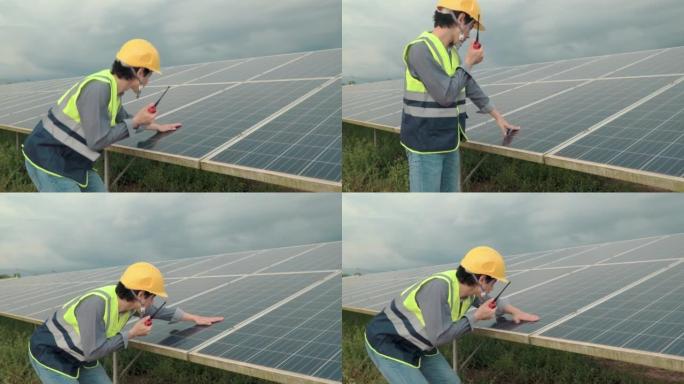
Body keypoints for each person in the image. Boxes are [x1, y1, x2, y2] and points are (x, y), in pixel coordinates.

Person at [23, 39, 182, 192]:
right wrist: (136, 121)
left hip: (73, 162)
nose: (147, 82)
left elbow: (125, 118)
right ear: (140, 72)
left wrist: (155, 126)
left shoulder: (114, 89)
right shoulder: (99, 88)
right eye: (149, 76)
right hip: (49, 158)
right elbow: (97, 141)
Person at [365, 246, 540, 384]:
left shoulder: (470, 292)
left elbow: (493, 302)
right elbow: (440, 337)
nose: (493, 288)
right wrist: (476, 317)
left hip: (420, 343)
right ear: (481, 280)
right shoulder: (439, 289)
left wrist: (516, 312)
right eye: (493, 282)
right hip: (389, 342)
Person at [28, 262, 223, 383]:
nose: (153, 302)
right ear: (140, 294)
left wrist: (194, 318)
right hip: (52, 354)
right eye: (152, 297)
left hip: (81, 354)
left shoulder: (132, 304)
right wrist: (130, 334)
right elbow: (93, 351)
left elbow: (160, 311)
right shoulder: (96, 305)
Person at [400, 0, 520, 192]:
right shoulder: (420, 50)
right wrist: (469, 63)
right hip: (425, 146)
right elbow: (446, 95)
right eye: (470, 28)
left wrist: (499, 119)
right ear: (461, 18)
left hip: (449, 142)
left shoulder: (451, 54)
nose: (469, 35)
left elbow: (470, 87)